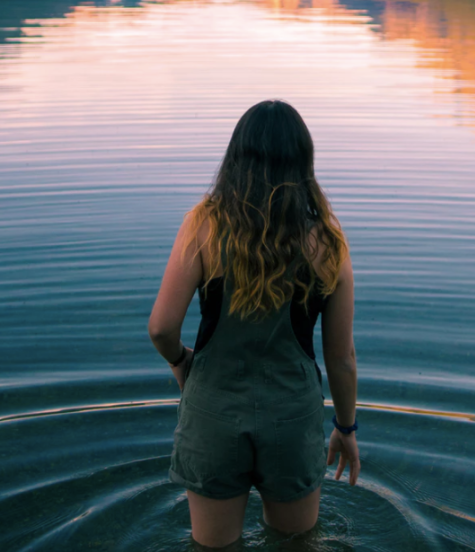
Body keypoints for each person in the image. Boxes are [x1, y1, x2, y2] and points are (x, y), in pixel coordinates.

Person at [148, 99, 360, 549]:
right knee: (295, 545)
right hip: (292, 416)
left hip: (212, 414)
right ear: (303, 163)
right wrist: (345, 428)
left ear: (235, 158)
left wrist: (182, 362)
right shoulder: (328, 243)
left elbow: (161, 328)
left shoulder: (203, 225)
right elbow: (341, 359)